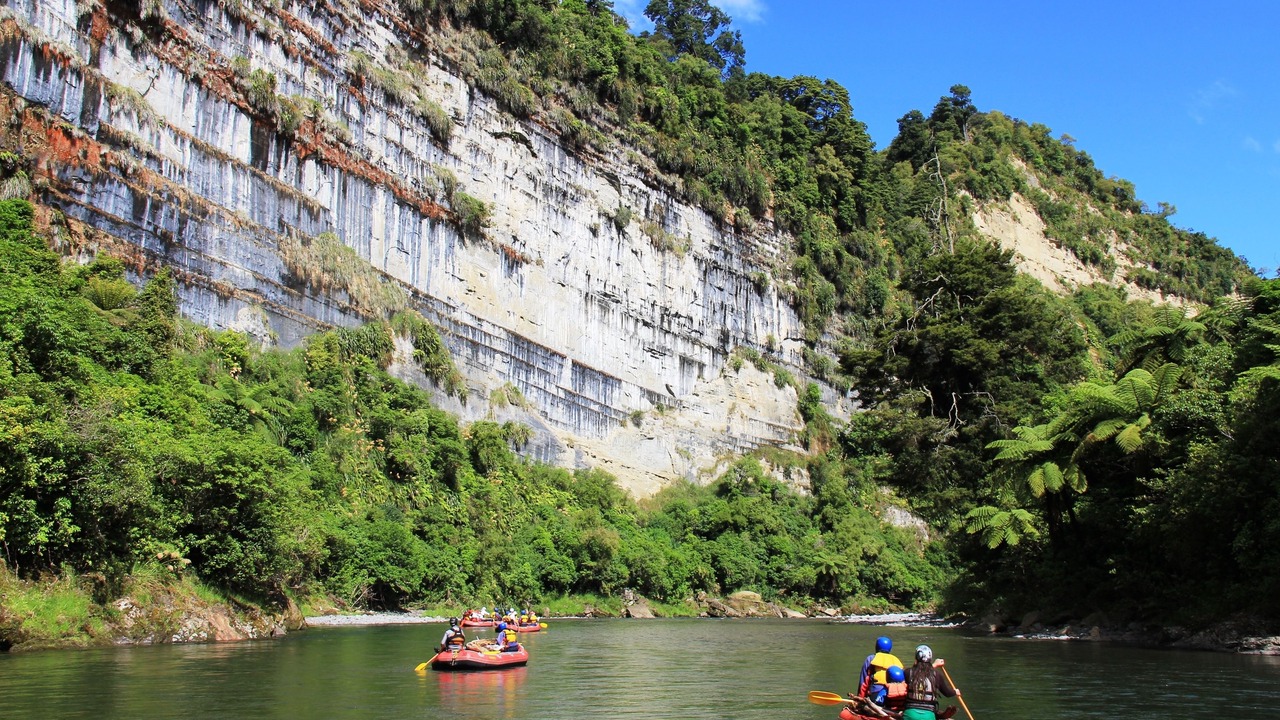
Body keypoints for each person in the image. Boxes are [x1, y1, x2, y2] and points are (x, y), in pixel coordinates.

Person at [903, 645, 959, 720]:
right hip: (928, 716)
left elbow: (919, 674)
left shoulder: (907, 672)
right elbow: (947, 693)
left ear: (916, 657)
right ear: (930, 658)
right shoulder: (937, 675)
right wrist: (955, 692)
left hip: (910, 714)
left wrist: (935, 665)